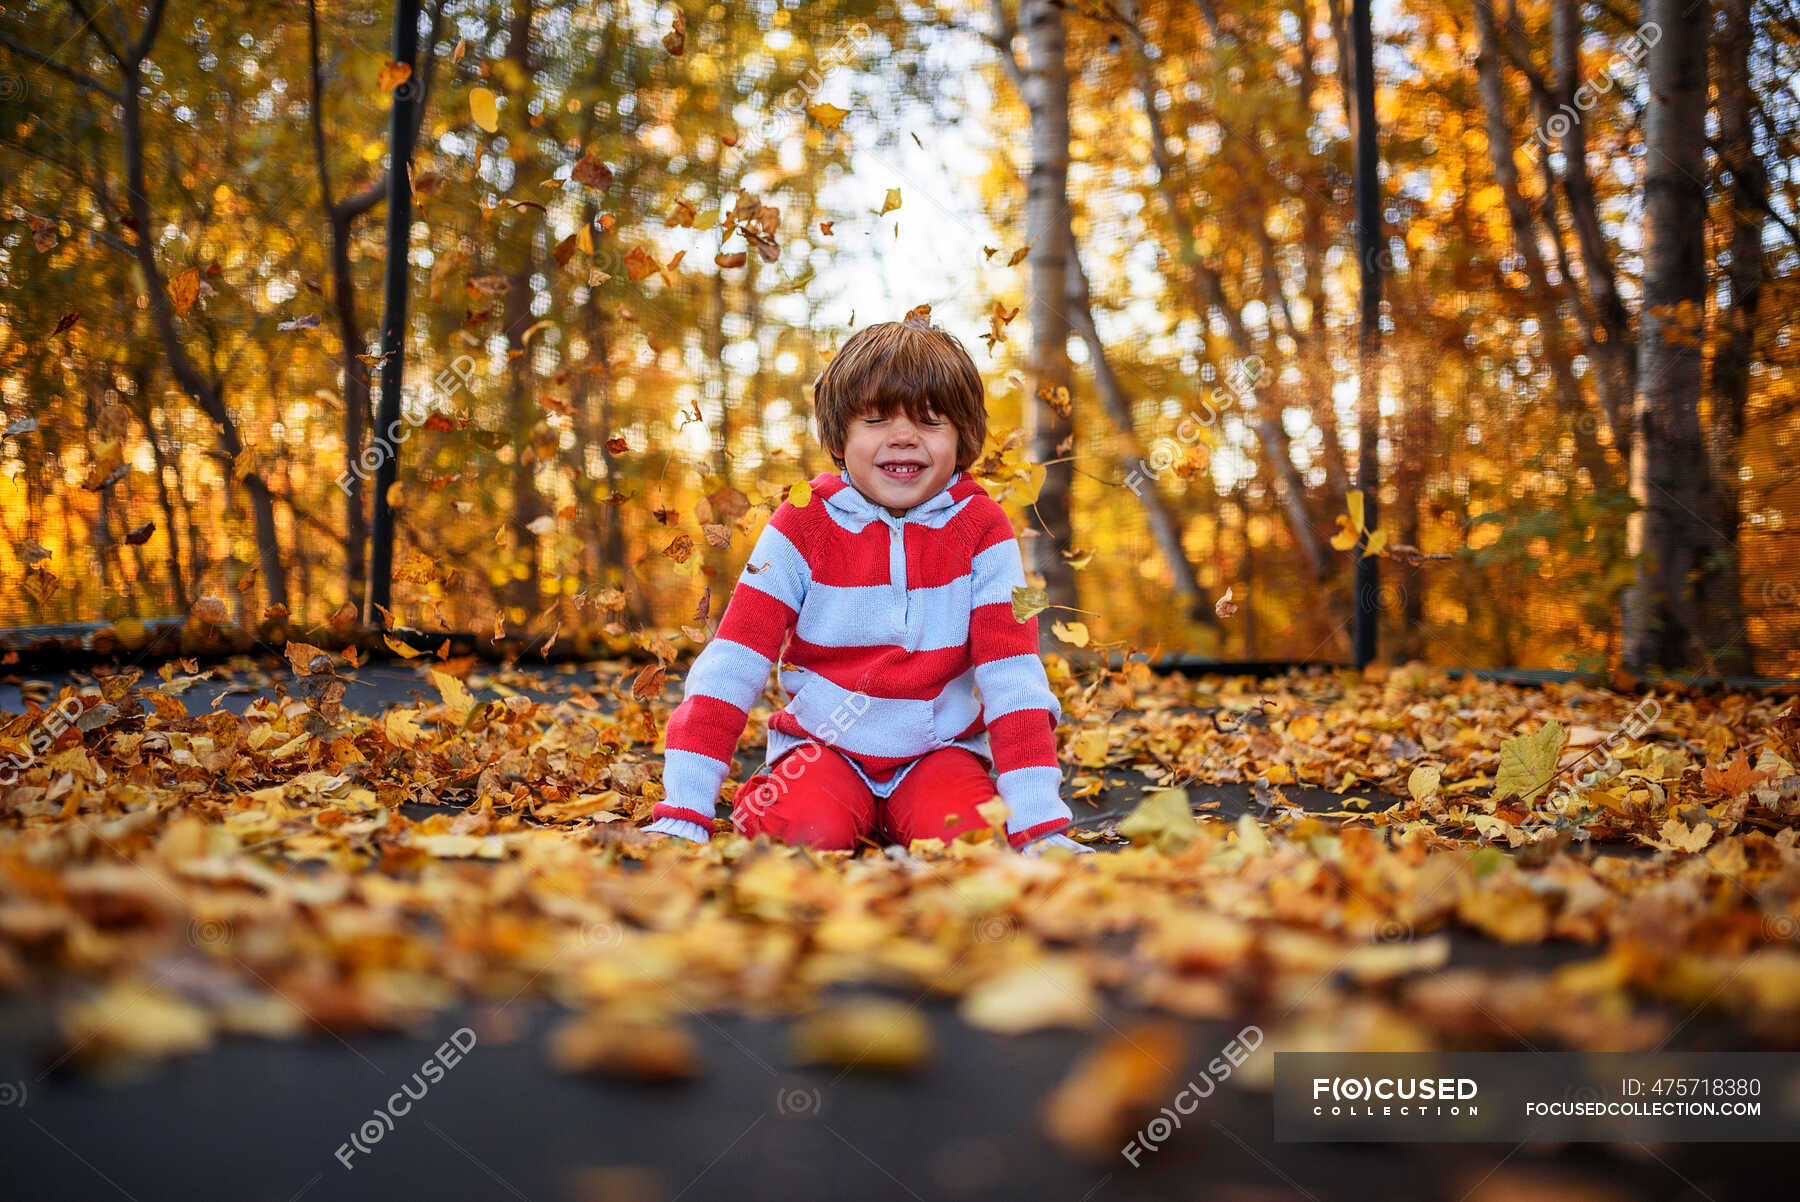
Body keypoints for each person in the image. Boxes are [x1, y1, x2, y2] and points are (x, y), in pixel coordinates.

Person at [641, 315, 1091, 857]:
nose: (903, 437)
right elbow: (735, 660)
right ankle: (783, 801)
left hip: (937, 752)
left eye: (930, 421)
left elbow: (1013, 676)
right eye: (876, 420)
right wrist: (684, 808)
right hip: (821, 750)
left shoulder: (983, 528)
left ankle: (918, 816)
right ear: (840, 436)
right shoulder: (803, 523)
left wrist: (1040, 827)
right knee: (806, 840)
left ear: (962, 437)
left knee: (968, 847)